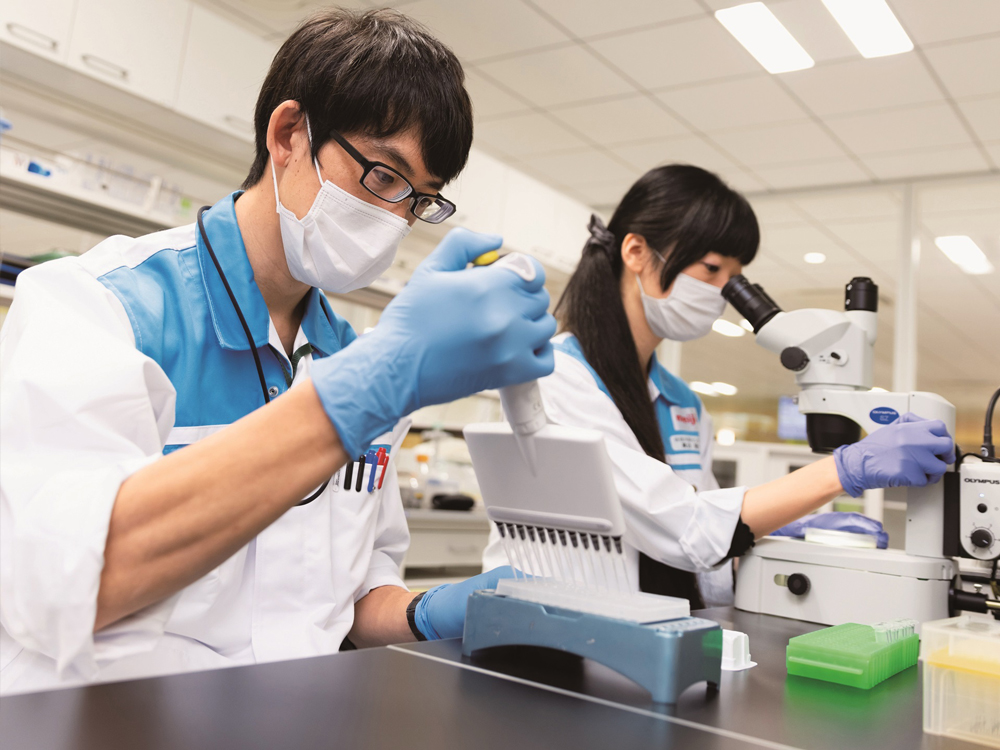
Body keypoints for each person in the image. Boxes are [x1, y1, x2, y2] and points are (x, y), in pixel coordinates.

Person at [0, 9, 554, 694]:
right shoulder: (94, 305)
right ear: (289, 134)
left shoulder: (351, 355)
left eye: (421, 202)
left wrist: (427, 610)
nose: (395, 220)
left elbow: (346, 598)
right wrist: (367, 389)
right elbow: (76, 579)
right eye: (382, 177)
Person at [483, 165, 954, 608]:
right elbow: (682, 528)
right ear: (636, 252)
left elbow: (703, 544)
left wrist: (771, 533)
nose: (723, 293)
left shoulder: (683, 404)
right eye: (713, 270)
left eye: (735, 278)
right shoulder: (557, 377)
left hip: (650, 632)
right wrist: (843, 471)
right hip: (551, 637)